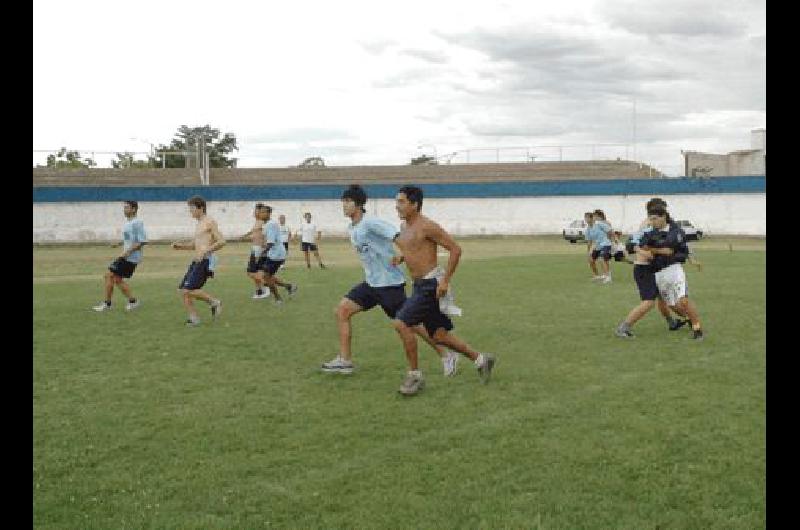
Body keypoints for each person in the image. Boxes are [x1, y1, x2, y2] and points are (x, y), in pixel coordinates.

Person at [321, 185, 458, 376]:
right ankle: (345, 361)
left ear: (359, 204)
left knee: (413, 325)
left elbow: (400, 238)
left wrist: (404, 256)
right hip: (371, 284)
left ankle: (445, 353)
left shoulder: (371, 223)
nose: (344, 206)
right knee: (342, 311)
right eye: (342, 202)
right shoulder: (353, 227)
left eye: (348, 202)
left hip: (389, 285)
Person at [391, 185, 495, 396]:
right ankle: (481, 359)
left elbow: (456, 249)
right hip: (419, 285)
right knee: (438, 335)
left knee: (401, 323)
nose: (397, 206)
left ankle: (414, 376)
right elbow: (414, 249)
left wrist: (445, 281)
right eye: (397, 201)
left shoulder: (428, 226)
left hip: (431, 286)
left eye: (401, 202)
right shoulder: (404, 227)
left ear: (415, 204)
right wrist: (402, 258)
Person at [615, 198, 689, 338]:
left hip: (652, 268)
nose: (665, 213)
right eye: (663, 209)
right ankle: (623, 328)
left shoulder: (656, 225)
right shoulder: (649, 226)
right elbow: (635, 246)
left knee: (664, 299)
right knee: (649, 302)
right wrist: (646, 253)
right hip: (645, 269)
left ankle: (673, 322)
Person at [171, 196, 225, 326]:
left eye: (192, 208)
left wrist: (206, 251)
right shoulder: (199, 223)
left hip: (205, 260)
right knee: (183, 290)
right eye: (190, 209)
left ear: (201, 208)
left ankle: (214, 302)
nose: (190, 211)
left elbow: (222, 241)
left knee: (188, 290)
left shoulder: (209, 221)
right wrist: (180, 246)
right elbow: (195, 245)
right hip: (196, 260)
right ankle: (194, 318)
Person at [92, 200, 147, 312]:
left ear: (134, 209)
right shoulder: (128, 223)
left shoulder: (137, 222)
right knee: (116, 279)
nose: (124, 210)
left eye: (127, 207)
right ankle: (132, 302)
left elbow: (142, 241)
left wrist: (127, 252)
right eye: (124, 208)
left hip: (130, 257)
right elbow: (130, 239)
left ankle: (108, 304)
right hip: (126, 255)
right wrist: (119, 243)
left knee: (109, 276)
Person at [261, 205, 298, 304]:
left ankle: (278, 299)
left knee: (266, 277)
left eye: (264, 212)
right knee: (268, 276)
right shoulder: (268, 224)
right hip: (275, 253)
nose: (261, 214)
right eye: (261, 212)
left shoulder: (270, 224)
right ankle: (289, 287)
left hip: (276, 254)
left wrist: (262, 253)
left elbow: (270, 242)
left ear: (269, 214)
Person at [238, 203, 270, 299]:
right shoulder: (257, 222)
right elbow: (253, 231)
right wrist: (244, 236)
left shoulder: (263, 222)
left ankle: (267, 287)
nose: (254, 212)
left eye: (256, 210)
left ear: (260, 212)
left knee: (251, 272)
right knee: (254, 271)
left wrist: (265, 246)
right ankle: (258, 291)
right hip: (255, 248)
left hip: (259, 249)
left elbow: (266, 235)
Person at [585, 211, 613, 283]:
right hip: (597, 246)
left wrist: (609, 240)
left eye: (587, 218)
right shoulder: (588, 229)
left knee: (602, 259)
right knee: (591, 260)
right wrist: (588, 251)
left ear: (591, 218)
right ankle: (597, 275)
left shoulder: (599, 224)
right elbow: (589, 241)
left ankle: (608, 277)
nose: (586, 220)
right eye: (585, 218)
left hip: (605, 244)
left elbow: (609, 231)